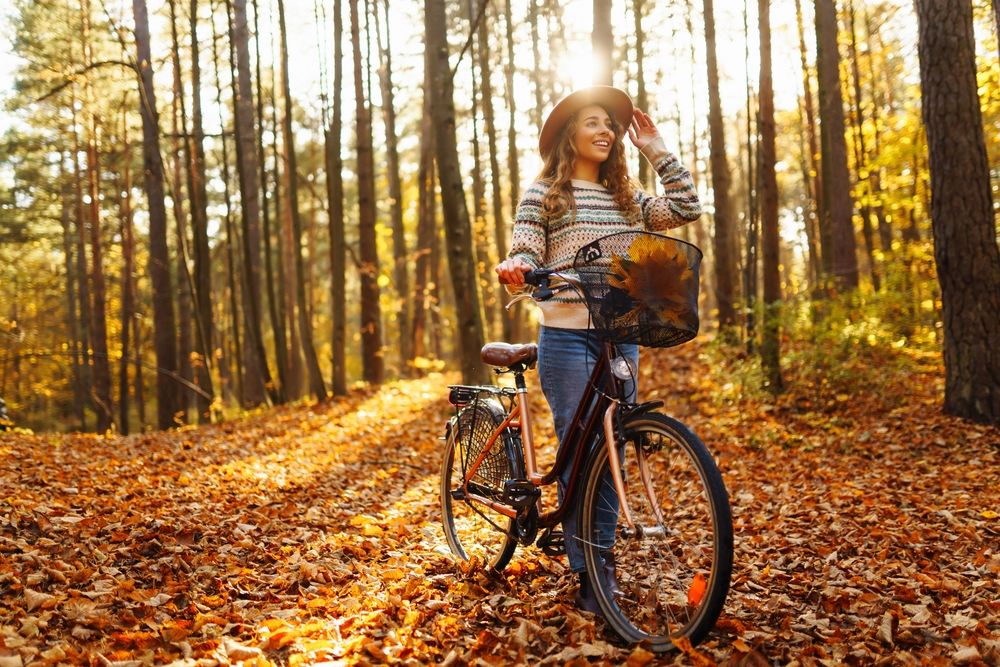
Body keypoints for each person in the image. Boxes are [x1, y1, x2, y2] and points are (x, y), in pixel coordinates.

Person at [494, 85, 702, 614]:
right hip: (566, 332)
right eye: (592, 122)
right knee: (582, 449)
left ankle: (599, 558)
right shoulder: (546, 192)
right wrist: (517, 265)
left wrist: (655, 146)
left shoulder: (628, 199)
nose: (605, 130)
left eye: (610, 124)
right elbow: (524, 244)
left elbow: (686, 206)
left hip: (621, 333)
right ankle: (590, 572)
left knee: (611, 451)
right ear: (570, 134)